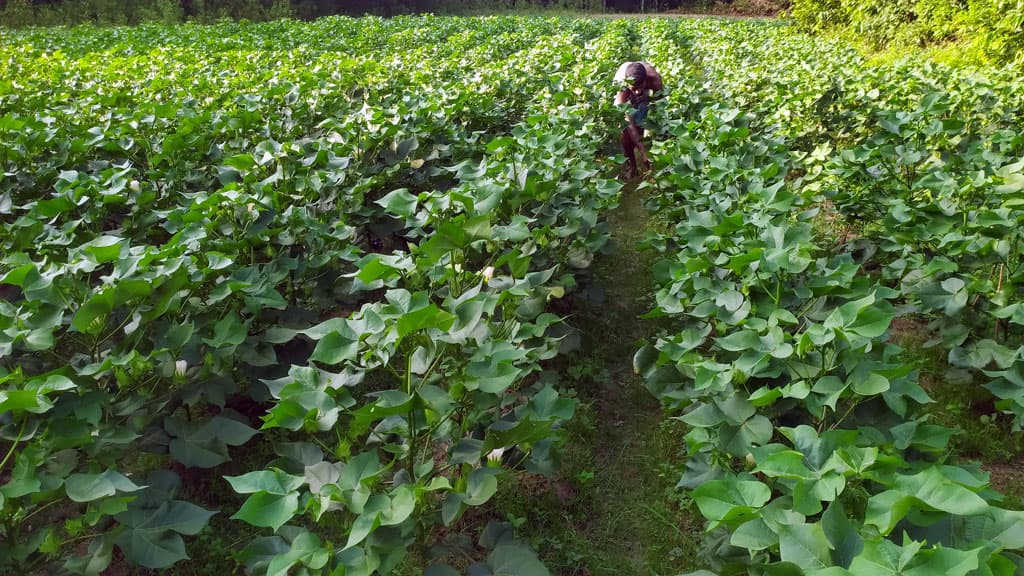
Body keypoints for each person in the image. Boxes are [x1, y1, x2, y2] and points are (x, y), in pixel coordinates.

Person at [613, 61, 664, 179]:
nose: (637, 92)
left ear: (646, 80)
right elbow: (628, 122)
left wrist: (650, 127)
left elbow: (660, 107)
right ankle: (632, 166)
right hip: (624, 90)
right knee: (624, 132)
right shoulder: (622, 87)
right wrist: (643, 152)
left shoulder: (654, 79)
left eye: (639, 87)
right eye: (633, 88)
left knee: (642, 122)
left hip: (645, 88)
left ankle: (655, 163)